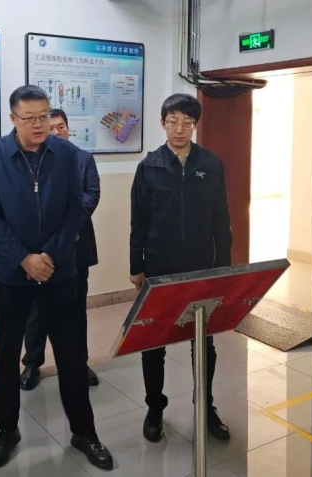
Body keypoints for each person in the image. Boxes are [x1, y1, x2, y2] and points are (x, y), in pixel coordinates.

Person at [0, 85, 112, 470]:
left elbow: (77, 209)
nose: (39, 125)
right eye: (29, 118)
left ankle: (84, 431)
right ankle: (7, 431)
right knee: (5, 359)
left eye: (44, 117)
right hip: (9, 274)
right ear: (12, 118)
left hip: (59, 271)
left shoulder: (67, 154)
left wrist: (49, 255)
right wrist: (24, 258)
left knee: (71, 356)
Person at [129, 93, 232, 443]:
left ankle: (205, 406)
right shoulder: (150, 167)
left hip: (201, 267)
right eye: (173, 122)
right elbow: (138, 223)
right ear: (162, 123)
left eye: (187, 123)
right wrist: (137, 266)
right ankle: (155, 408)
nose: (179, 129)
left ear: (195, 125)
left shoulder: (211, 165)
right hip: (160, 267)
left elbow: (222, 220)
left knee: (203, 341)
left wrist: (224, 268)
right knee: (154, 342)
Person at [20, 108, 101, 391]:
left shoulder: (83, 159)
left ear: (68, 129)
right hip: (41, 250)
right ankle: (32, 363)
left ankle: (78, 362)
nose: (57, 132)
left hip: (76, 249)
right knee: (37, 311)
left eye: (61, 126)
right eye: (51, 127)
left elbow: (92, 195)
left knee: (76, 310)